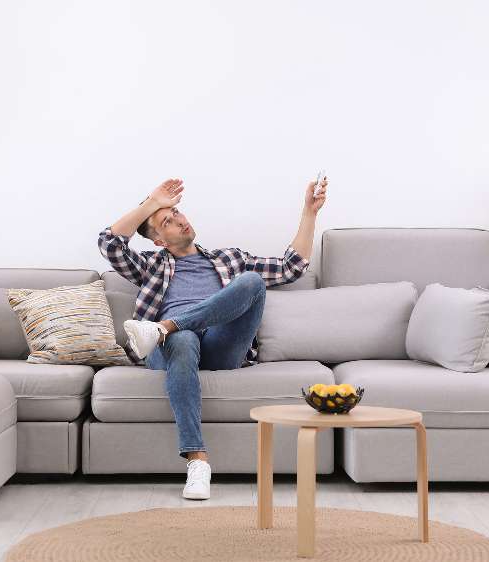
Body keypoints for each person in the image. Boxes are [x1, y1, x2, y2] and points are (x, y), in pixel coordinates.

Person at [97, 176, 328, 499]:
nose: (179, 219)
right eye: (167, 221)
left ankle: (165, 326)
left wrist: (309, 212)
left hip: (221, 346)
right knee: (183, 339)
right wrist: (152, 203)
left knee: (250, 282)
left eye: (177, 212)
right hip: (173, 349)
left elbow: (292, 267)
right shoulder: (150, 265)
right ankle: (197, 461)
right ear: (159, 241)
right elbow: (109, 243)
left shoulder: (229, 259)